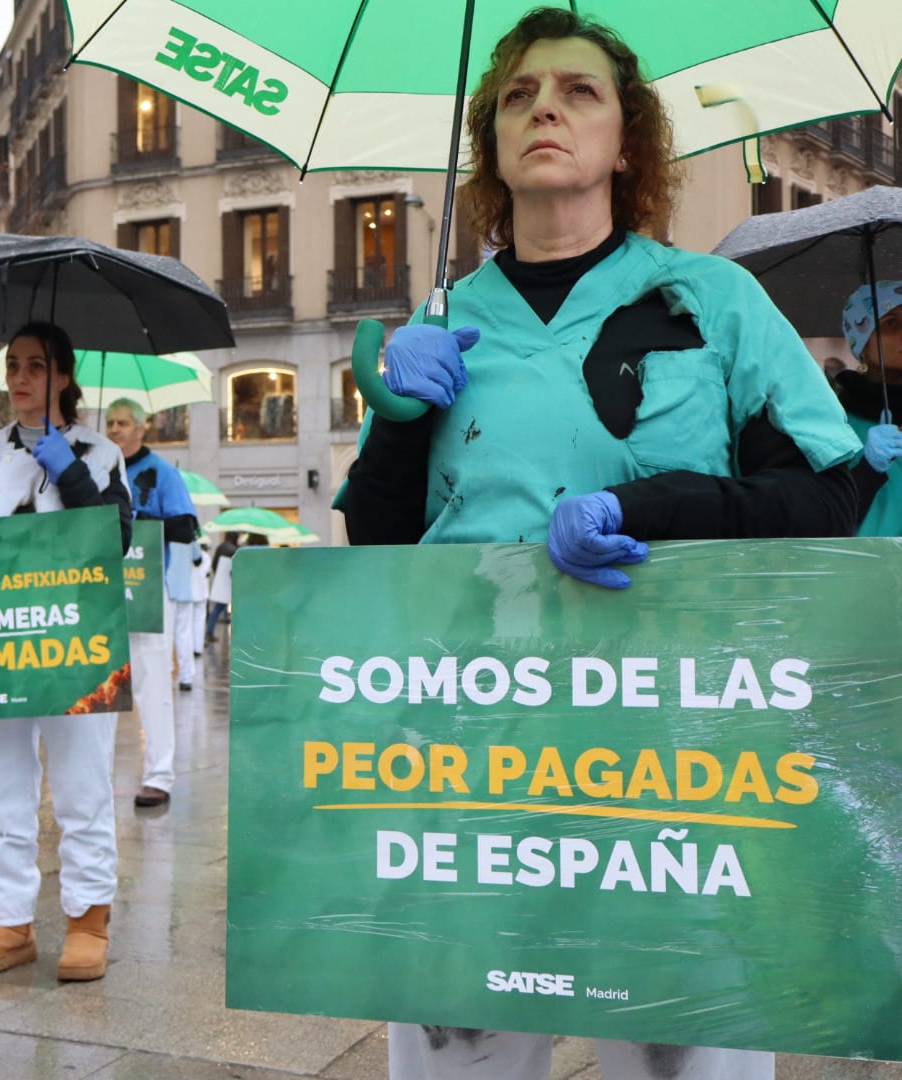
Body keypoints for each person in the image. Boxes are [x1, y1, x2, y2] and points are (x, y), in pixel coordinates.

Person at [339, 10, 859, 1079]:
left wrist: (653, 510)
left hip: (682, 771)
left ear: (629, 143)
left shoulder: (713, 301)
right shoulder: (443, 320)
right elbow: (381, 539)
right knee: (457, 1059)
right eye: (521, 95)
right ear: (489, 143)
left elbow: (830, 491)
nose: (547, 109)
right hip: (473, 768)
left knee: (686, 1058)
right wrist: (396, 419)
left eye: (580, 92)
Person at [0, 320, 132, 982]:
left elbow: (116, 541)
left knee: (83, 782)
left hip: (77, 640)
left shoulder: (101, 452)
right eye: (13, 365)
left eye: (35, 365)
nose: (19, 378)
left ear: (63, 375)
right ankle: (11, 920)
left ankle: (88, 919)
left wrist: (72, 475)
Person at [103, 397, 198, 808]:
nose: (115, 430)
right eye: (109, 422)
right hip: (100, 589)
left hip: (146, 590)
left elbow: (186, 527)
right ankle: (94, 774)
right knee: (99, 687)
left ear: (142, 428)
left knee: (153, 685)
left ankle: (159, 774)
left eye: (123, 422)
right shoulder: (96, 468)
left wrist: (138, 524)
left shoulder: (161, 472)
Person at [833, 281, 902, 535]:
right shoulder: (834, 425)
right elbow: (825, 520)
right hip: (872, 570)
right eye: (891, 323)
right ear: (861, 345)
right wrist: (867, 471)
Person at [204, 532, 238, 642]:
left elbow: (214, 564)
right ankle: (209, 632)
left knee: (218, 607)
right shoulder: (235, 550)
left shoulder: (221, 547)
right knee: (219, 607)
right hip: (229, 582)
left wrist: (219, 575)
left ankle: (210, 631)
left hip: (220, 581)